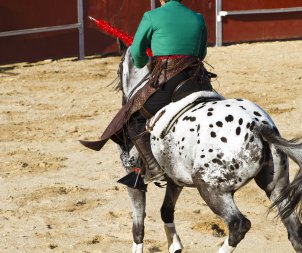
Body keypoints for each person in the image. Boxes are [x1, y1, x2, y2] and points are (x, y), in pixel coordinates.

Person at [81, 0, 212, 190]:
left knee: (133, 118)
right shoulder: (197, 18)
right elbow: (202, 52)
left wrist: (143, 62)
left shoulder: (152, 16)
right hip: (199, 80)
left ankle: (153, 166)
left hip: (169, 81)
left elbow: (136, 52)